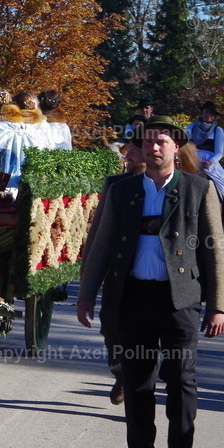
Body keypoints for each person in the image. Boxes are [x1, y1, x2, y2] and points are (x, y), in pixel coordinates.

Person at [77, 115, 224, 448]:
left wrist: (217, 306)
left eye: (161, 141)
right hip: (131, 299)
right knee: (137, 383)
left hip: (180, 301)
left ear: (176, 147)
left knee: (181, 380)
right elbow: (102, 245)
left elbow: (214, 251)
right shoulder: (122, 190)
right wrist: (86, 294)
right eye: (147, 142)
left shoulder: (199, 188)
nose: (154, 147)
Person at [81, 136, 146, 406]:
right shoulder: (115, 184)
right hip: (118, 273)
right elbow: (99, 234)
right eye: (127, 152)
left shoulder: (180, 184)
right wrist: (87, 281)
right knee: (111, 329)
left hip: (154, 278)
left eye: (133, 152)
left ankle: (139, 388)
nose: (127, 157)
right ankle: (121, 374)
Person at [186, 102, 224, 229]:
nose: (209, 115)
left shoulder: (218, 130)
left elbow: (219, 152)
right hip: (192, 158)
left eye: (212, 113)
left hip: (210, 160)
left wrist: (210, 162)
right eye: (206, 112)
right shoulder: (191, 127)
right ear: (202, 113)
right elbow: (184, 144)